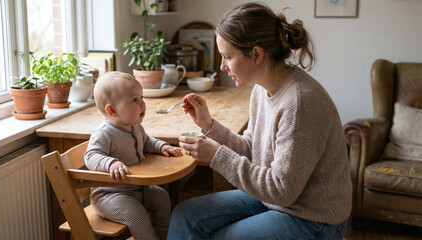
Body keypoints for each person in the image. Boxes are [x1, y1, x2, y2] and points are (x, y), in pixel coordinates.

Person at [167, 2, 352, 240]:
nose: (222, 66)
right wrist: (209, 126)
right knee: (185, 215)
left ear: (256, 54)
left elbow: (281, 190)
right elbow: (252, 149)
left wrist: (217, 156)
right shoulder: (261, 90)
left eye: (227, 57)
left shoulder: (300, 103)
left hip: (313, 218)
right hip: (276, 201)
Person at [85, 71, 182, 240]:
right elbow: (91, 156)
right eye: (135, 100)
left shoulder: (134, 126)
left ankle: (167, 236)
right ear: (112, 110)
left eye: (142, 97)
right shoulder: (104, 134)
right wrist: (111, 164)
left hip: (137, 189)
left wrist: (162, 146)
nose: (143, 104)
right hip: (109, 196)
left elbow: (146, 141)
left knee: (161, 196)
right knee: (135, 212)